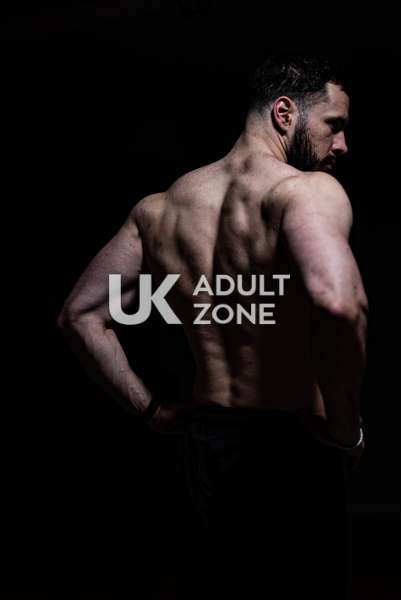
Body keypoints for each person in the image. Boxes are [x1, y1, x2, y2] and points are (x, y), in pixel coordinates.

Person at [57, 54, 369, 599]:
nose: (342, 145)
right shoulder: (306, 192)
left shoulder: (159, 210)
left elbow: (80, 316)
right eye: (334, 125)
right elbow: (338, 303)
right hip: (291, 450)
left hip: (204, 450)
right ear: (284, 113)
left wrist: (151, 411)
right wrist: (345, 427)